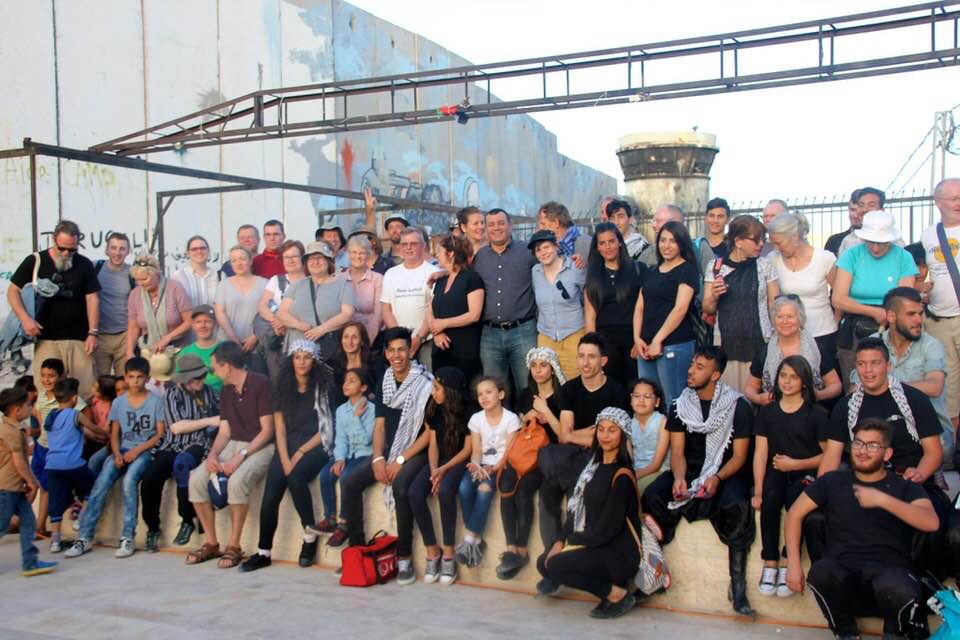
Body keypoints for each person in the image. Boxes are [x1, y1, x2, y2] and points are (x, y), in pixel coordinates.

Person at [784, 418, 938, 639]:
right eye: (858, 443)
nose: (863, 451)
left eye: (872, 445)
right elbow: (794, 515)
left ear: (887, 454)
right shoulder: (831, 481)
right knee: (820, 573)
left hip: (890, 574)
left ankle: (895, 633)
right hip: (845, 573)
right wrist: (792, 563)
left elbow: (931, 521)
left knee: (896, 587)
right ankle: (846, 633)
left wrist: (883, 500)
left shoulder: (904, 486)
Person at [642, 346, 756, 616]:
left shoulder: (737, 406)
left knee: (736, 504)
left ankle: (738, 587)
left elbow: (740, 457)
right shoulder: (680, 405)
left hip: (726, 471)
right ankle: (654, 571)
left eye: (700, 367)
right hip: (691, 469)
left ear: (715, 375)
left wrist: (716, 477)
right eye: (692, 364)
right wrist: (679, 477)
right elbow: (677, 453)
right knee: (653, 495)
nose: (691, 371)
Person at [536, 333, 630, 595]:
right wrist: (589, 432)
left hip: (600, 459)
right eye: (581, 356)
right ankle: (552, 561)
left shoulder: (616, 391)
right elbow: (564, 436)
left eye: (591, 357)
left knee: (575, 498)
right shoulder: (570, 389)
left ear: (603, 361)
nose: (585, 363)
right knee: (546, 495)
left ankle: (567, 560)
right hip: (569, 457)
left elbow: (609, 437)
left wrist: (590, 434)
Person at [338, 327, 433, 583]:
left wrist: (400, 460)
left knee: (401, 486)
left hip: (416, 451)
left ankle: (404, 558)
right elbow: (379, 425)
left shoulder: (425, 383)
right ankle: (358, 552)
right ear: (387, 354)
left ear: (411, 351)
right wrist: (379, 457)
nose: (396, 355)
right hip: (389, 450)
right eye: (391, 350)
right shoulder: (386, 380)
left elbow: (429, 433)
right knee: (349, 481)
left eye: (401, 349)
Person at [537, 407, 642, 619]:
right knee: (544, 562)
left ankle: (617, 594)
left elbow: (606, 530)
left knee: (555, 565)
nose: (605, 435)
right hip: (596, 544)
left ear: (623, 435)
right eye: (601, 429)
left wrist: (571, 543)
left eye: (612, 430)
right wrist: (559, 541)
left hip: (618, 553)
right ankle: (611, 588)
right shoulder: (592, 468)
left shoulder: (622, 474)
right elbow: (576, 510)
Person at [240, 340, 333, 572]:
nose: (302, 362)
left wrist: (299, 453)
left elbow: (326, 429)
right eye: (297, 357)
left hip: (315, 446)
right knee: (271, 495)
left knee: (295, 478)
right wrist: (284, 459)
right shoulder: (281, 389)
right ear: (291, 360)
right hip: (287, 446)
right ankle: (263, 552)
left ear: (314, 361)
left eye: (307, 357)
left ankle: (309, 536)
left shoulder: (323, 388)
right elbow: (279, 430)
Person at [184, 342, 275, 568]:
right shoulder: (226, 390)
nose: (212, 373)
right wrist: (213, 455)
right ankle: (211, 543)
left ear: (226, 366)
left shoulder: (261, 383)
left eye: (214, 367)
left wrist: (240, 455)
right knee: (196, 480)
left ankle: (234, 546)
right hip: (233, 442)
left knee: (236, 482)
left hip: (260, 445)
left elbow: (267, 431)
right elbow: (224, 431)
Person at [65, 357, 166, 559]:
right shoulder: (119, 402)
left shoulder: (155, 402)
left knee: (129, 482)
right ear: (125, 378)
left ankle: (127, 537)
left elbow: (159, 434)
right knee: (101, 482)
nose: (135, 381)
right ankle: (84, 537)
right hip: (122, 449)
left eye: (140, 377)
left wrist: (137, 451)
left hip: (145, 452)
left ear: (147, 378)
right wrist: (117, 453)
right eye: (131, 377)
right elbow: (114, 433)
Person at [751, 356, 828, 597]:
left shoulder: (816, 414)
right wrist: (758, 489)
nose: (787, 381)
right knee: (770, 499)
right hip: (776, 470)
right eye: (783, 375)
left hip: (806, 472)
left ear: (804, 382)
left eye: (794, 377)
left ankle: (787, 561)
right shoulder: (768, 412)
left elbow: (828, 456)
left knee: (796, 500)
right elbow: (760, 454)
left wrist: (796, 464)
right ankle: (770, 562)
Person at [851, 287, 956, 461]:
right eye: (911, 314)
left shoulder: (931, 345)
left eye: (920, 313)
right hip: (882, 426)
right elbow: (855, 389)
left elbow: (935, 387)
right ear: (891, 317)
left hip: (926, 428)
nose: (919, 320)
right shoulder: (873, 343)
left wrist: (886, 385)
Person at [8, 220, 100, 399]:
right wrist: (25, 319)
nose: (66, 253)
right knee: (47, 396)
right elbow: (13, 291)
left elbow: (92, 298)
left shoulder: (84, 264)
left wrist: (93, 332)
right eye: (62, 248)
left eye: (72, 250)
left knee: (84, 393)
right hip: (46, 338)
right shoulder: (36, 261)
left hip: (78, 339)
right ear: (53, 240)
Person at [496, 347, 565, 580]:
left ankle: (522, 549)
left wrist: (546, 412)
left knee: (525, 490)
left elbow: (564, 435)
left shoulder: (563, 395)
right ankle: (510, 549)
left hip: (548, 456)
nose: (538, 370)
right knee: (506, 485)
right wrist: (528, 417)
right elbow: (518, 427)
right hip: (524, 453)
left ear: (553, 369)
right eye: (534, 366)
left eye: (543, 365)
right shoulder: (526, 394)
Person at [139, 354, 219, 551]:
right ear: (185, 379)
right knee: (150, 478)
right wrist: (210, 420)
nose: (201, 380)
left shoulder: (210, 392)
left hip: (198, 443)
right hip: (172, 444)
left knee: (182, 464)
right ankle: (152, 528)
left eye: (202, 376)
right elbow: (177, 427)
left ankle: (187, 520)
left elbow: (223, 415)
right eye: (196, 377)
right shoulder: (172, 394)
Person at [832, 210, 918, 384]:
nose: (876, 248)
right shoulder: (851, 255)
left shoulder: (904, 257)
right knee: (855, 383)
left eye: (882, 243)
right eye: (871, 242)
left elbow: (905, 298)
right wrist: (873, 311)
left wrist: (889, 314)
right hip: (854, 328)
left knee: (895, 381)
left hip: (893, 326)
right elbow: (838, 299)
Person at [408, 367, 472, 584]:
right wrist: (434, 469)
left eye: (437, 388)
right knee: (415, 492)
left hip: (459, 461)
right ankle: (432, 549)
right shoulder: (434, 407)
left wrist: (443, 470)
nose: (433, 392)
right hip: (439, 461)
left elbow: (468, 450)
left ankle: (449, 552)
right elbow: (433, 445)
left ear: (450, 390)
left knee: (445, 492)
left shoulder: (468, 410)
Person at [702, 215, 780, 392]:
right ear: (738, 241)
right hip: (726, 341)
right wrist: (714, 295)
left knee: (759, 391)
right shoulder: (716, 267)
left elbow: (774, 304)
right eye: (756, 240)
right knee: (729, 393)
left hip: (760, 338)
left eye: (763, 239)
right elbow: (708, 308)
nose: (761, 244)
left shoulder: (764, 266)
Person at [454, 377, 520, 570]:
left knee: (484, 489)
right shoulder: (476, 419)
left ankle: (470, 537)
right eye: (480, 394)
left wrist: (494, 468)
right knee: (464, 487)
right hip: (481, 464)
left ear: (501, 394)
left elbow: (509, 453)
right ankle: (476, 538)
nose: (484, 397)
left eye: (489, 392)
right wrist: (476, 465)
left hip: (501, 466)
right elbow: (476, 451)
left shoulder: (511, 419)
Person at [632, 221, 699, 408]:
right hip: (645, 347)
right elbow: (639, 307)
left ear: (682, 244)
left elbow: (680, 309)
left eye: (672, 241)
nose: (666, 245)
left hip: (674, 345)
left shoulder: (687, 270)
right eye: (663, 240)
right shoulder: (651, 271)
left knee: (674, 402)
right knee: (647, 402)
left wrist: (658, 340)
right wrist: (637, 338)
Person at [473, 209, 538, 398]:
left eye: (501, 223)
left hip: (523, 331)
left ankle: (528, 418)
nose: (496, 228)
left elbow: (550, 265)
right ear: (486, 228)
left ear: (510, 225)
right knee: (494, 390)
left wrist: (575, 259)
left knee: (527, 386)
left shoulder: (528, 252)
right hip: (490, 335)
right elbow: (464, 279)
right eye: (491, 224)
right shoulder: (480, 257)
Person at [40, 378, 103, 553]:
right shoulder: (76, 414)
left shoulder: (51, 415)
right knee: (92, 486)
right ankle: (80, 518)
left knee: (55, 501)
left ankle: (55, 541)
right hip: (73, 464)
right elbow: (93, 428)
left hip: (52, 465)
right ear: (74, 398)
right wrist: (106, 434)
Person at [766, 212, 839, 366]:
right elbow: (772, 300)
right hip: (789, 335)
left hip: (823, 332)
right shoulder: (773, 259)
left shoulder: (824, 258)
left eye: (779, 243)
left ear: (795, 237)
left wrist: (837, 322)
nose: (776, 248)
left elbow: (838, 295)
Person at [0, 386, 58, 577]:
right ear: (17, 410)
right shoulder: (10, 432)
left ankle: (30, 563)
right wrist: (32, 482)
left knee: (28, 522)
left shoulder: (12, 429)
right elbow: (19, 462)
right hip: (7, 487)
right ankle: (30, 562)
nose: (31, 409)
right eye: (28, 405)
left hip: (15, 487)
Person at [744, 295, 842, 406]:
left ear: (800, 318)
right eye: (780, 316)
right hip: (774, 410)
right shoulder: (764, 352)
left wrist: (818, 395)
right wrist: (758, 398)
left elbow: (836, 386)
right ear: (773, 320)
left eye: (790, 316)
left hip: (810, 410)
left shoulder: (816, 349)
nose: (785, 321)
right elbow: (750, 387)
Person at [314, 367, 375, 545]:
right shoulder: (341, 410)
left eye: (352, 381)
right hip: (347, 455)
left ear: (363, 387)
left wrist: (356, 418)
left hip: (364, 455)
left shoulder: (372, 410)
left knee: (347, 477)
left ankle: (345, 524)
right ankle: (330, 518)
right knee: (325, 474)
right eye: (345, 381)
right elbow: (340, 438)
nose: (346, 384)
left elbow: (366, 440)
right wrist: (340, 458)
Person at [32, 358, 93, 536]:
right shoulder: (42, 396)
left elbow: (85, 418)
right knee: (42, 485)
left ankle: (40, 526)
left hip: (57, 451)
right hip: (41, 447)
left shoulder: (73, 401)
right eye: (43, 375)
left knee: (49, 488)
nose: (46, 380)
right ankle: (43, 524)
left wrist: (81, 437)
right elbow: (39, 416)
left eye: (51, 376)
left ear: (61, 377)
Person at [584, 222, 644, 386]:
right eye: (602, 243)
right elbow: (590, 317)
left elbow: (645, 309)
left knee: (635, 388)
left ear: (619, 242)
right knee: (612, 390)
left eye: (611, 241)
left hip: (633, 340)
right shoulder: (593, 277)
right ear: (597, 247)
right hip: (606, 344)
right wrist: (594, 349)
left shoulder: (638, 269)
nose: (608, 247)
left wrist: (640, 340)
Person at [922, 177, 960, 433]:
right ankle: (952, 443)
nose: (959, 203)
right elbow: (924, 272)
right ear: (938, 202)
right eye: (954, 198)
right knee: (949, 388)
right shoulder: (928, 235)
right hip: (938, 320)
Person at [277, 240, 356, 361]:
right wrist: (298, 324)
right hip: (297, 352)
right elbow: (282, 313)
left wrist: (322, 329)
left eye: (319, 258)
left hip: (328, 351)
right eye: (311, 259)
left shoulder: (344, 285)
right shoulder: (296, 285)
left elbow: (348, 313)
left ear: (328, 261)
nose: (315, 262)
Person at [426, 233, 484, 383]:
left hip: (464, 350)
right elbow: (430, 309)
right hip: (440, 349)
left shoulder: (472, 278)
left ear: (451, 254)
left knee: (462, 390)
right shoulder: (440, 280)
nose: (436, 255)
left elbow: (474, 315)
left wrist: (444, 324)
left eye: (439, 251)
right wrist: (436, 331)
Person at [529, 230, 586, 381]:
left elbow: (588, 298)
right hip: (546, 337)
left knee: (574, 381)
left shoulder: (574, 267)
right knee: (549, 383)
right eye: (538, 250)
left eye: (546, 247)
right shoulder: (535, 272)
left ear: (556, 246)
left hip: (573, 334)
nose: (543, 252)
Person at [378, 227, 439, 367]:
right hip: (398, 344)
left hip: (426, 341)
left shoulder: (434, 272)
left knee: (427, 379)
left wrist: (419, 338)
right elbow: (386, 309)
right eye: (404, 244)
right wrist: (400, 338)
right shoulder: (391, 274)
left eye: (413, 244)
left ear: (423, 246)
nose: (408, 247)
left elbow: (433, 309)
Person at [125, 254, 193, 360]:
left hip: (178, 351)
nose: (140, 284)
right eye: (137, 280)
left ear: (156, 274)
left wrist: (168, 337)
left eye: (144, 279)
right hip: (148, 353)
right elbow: (133, 328)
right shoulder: (135, 294)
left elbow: (190, 321)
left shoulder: (175, 288)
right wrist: (129, 352)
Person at [255, 239, 306, 381]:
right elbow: (262, 306)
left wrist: (286, 322)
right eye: (286, 257)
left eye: (294, 256)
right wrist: (276, 321)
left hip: (301, 340)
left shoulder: (310, 282)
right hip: (278, 340)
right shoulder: (275, 280)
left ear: (302, 258)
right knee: (279, 382)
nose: (290, 260)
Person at [214, 246, 269, 373]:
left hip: (257, 347)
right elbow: (220, 312)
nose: (238, 263)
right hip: (228, 346)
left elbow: (271, 312)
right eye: (234, 260)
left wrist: (255, 336)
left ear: (250, 261)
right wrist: (233, 338)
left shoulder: (265, 284)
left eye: (242, 259)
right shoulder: (223, 285)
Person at [93, 232, 133, 377]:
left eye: (122, 249)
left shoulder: (133, 273)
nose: (117, 253)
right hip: (100, 335)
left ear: (128, 251)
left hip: (124, 335)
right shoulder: (95, 268)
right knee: (101, 382)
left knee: (124, 381)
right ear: (107, 250)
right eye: (114, 248)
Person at [339, 234, 383, 343]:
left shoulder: (377, 279)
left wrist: (369, 340)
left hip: (369, 334)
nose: (357, 256)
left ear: (368, 255)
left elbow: (378, 315)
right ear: (348, 254)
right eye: (354, 252)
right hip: (343, 337)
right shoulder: (338, 278)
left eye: (362, 253)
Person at [629, 378, 670, 494]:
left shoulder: (662, 422)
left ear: (657, 402)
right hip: (636, 471)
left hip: (659, 472)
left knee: (633, 489)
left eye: (647, 397)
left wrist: (634, 475)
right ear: (631, 400)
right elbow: (629, 458)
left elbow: (656, 465)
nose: (641, 400)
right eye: (636, 396)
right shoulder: (628, 424)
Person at [176, 305, 223, 395]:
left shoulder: (226, 349)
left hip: (222, 399)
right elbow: (180, 384)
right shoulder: (185, 352)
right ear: (193, 325)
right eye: (198, 322)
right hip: (195, 400)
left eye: (207, 321)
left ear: (215, 324)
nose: (203, 326)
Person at [836, 187, 887, 256]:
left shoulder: (894, 240)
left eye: (871, 205)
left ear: (882, 210)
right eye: (861, 205)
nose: (865, 209)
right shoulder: (849, 241)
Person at [172, 234, 219, 307]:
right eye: (194, 249)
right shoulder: (178, 277)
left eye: (203, 248)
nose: (199, 251)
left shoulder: (218, 275)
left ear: (208, 251)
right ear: (188, 253)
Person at [824, 189, 863, 257]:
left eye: (860, 211)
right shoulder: (834, 241)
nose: (855, 215)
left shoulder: (877, 243)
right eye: (852, 210)